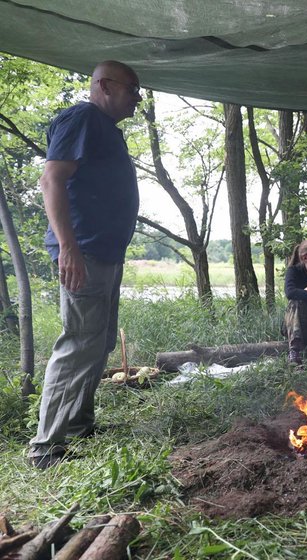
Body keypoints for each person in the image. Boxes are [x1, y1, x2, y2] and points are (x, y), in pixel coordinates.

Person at [28, 61, 143, 469]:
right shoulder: (82, 117)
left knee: (99, 343)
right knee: (78, 344)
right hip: (85, 253)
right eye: (133, 90)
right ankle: (46, 447)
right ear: (105, 86)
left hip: (105, 253)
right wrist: (69, 248)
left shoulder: (103, 128)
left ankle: (78, 427)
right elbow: (51, 180)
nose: (137, 99)